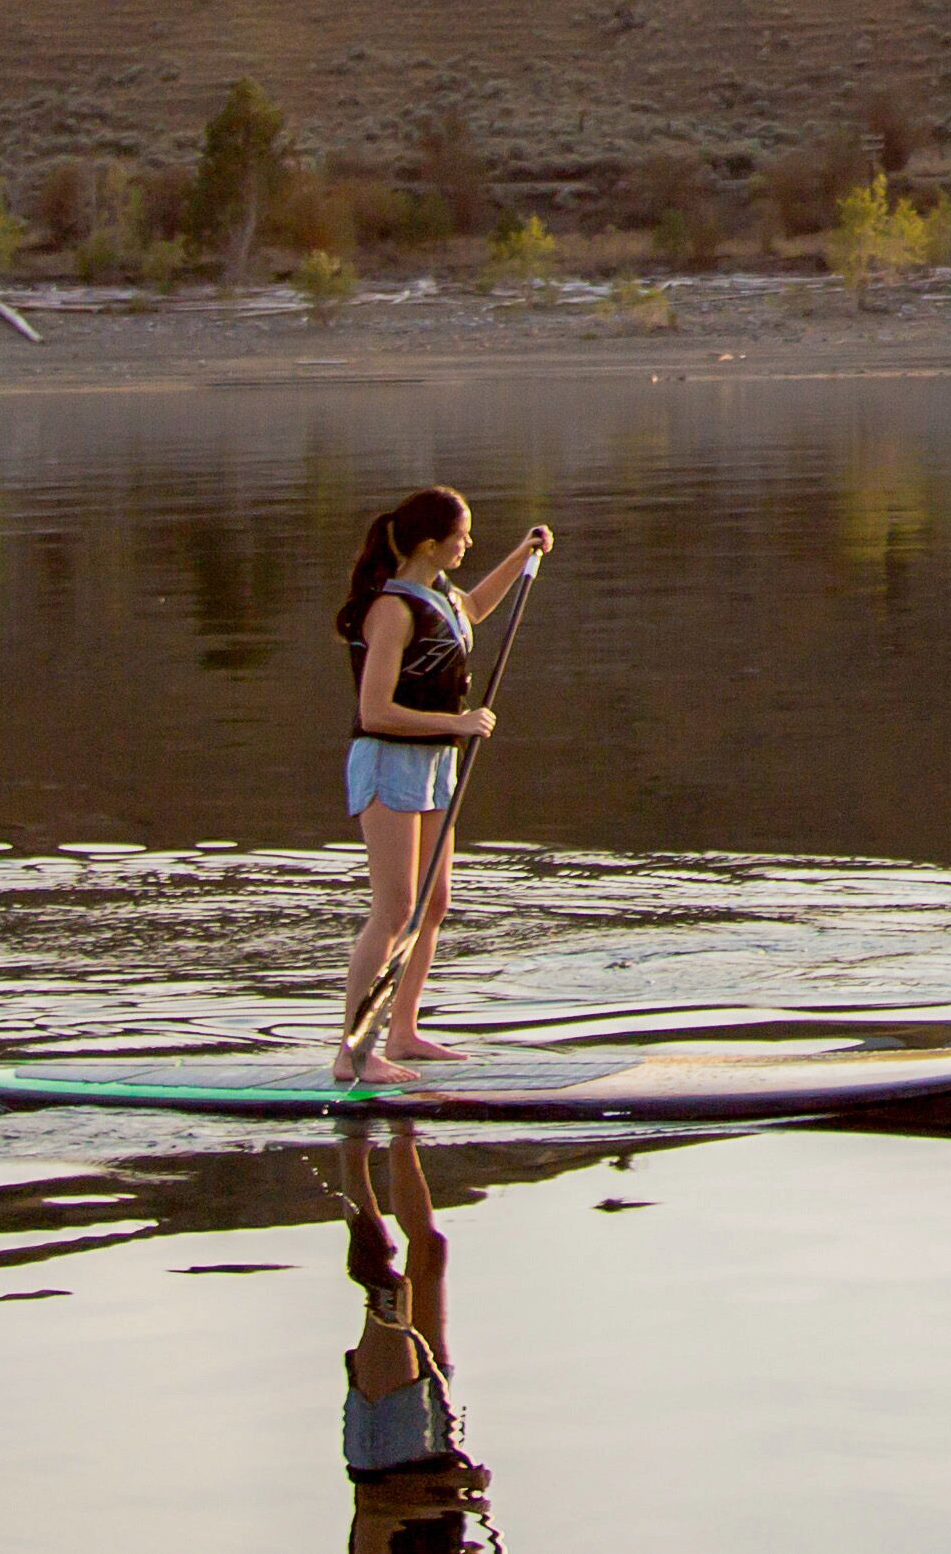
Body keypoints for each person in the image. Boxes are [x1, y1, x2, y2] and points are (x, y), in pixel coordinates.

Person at [334, 486, 554, 1081]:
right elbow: (375, 709)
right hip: (388, 760)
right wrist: (457, 722)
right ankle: (352, 1051)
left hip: (436, 764)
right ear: (430, 544)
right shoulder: (391, 610)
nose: (469, 544)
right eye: (462, 536)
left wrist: (521, 555)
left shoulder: (441, 596)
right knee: (394, 909)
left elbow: (476, 609)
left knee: (433, 905)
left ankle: (402, 1034)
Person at [335, 1122, 496, 1552]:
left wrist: (450, 1488)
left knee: (388, 1291)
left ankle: (352, 1148)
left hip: (386, 1450)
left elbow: (374, 1509)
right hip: (436, 1441)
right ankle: (403, 1133)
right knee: (430, 1251)